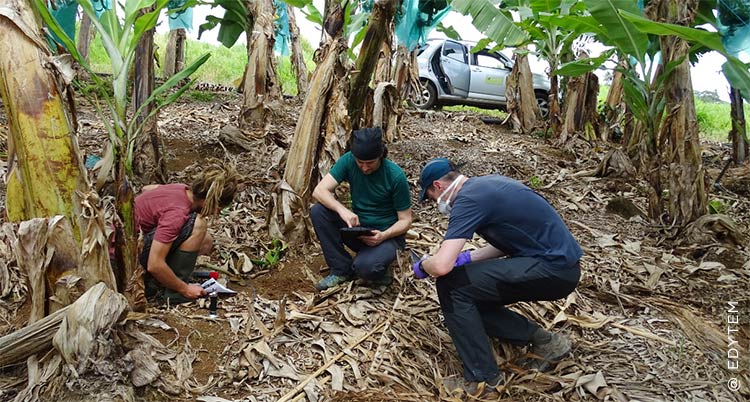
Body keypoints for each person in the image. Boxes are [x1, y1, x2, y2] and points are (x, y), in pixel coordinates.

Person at [412, 157, 582, 395]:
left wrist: (424, 264)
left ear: (437, 186)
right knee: (467, 292)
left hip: (553, 268)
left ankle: (484, 381)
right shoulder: (486, 185)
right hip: (560, 266)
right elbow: (509, 241)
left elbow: (441, 267)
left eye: (430, 197)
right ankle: (547, 342)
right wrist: (469, 258)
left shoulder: (468, 199)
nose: (434, 203)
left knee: (452, 285)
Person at [311, 127, 413, 290]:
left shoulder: (395, 176)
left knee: (365, 269)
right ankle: (341, 269)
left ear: (380, 156)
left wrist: (384, 235)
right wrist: (342, 210)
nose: (365, 168)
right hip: (359, 230)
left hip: (387, 237)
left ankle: (378, 265)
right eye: (360, 163)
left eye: (370, 163)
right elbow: (319, 191)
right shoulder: (349, 161)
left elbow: (406, 220)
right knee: (318, 211)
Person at [136, 161, 239, 304]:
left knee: (205, 241)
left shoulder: (181, 189)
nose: (216, 213)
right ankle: (174, 294)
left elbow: (147, 188)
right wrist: (185, 288)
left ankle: (162, 279)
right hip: (126, 258)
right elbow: (154, 264)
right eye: (218, 209)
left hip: (133, 242)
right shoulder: (177, 214)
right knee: (199, 225)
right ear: (211, 201)